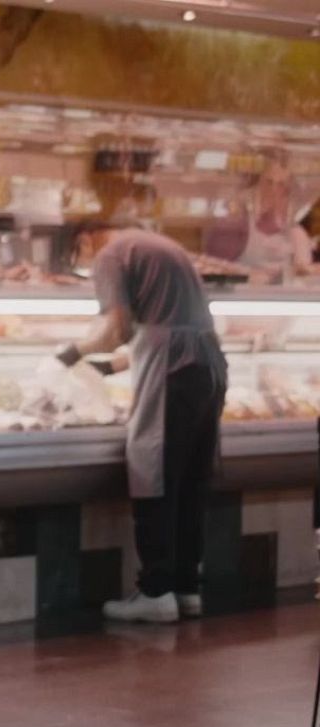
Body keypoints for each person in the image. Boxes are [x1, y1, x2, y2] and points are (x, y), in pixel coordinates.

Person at [58, 225, 228, 623]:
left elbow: (116, 330)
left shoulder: (111, 254)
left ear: (84, 243)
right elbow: (163, 321)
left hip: (171, 367)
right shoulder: (165, 244)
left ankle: (155, 591)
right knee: (189, 479)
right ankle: (187, 588)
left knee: (154, 468)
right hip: (208, 365)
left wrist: (68, 354)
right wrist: (109, 366)